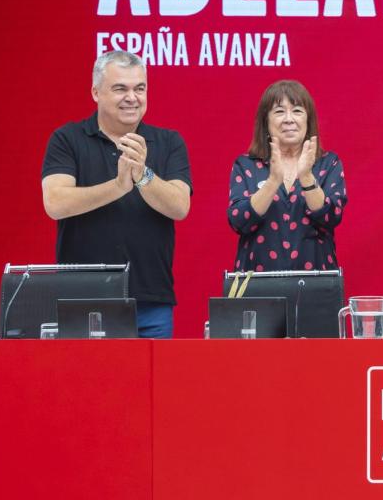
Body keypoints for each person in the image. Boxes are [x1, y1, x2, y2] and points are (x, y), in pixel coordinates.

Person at [42, 50, 192, 338]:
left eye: (140, 88)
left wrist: (143, 176)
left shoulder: (169, 141)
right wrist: (118, 187)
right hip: (82, 299)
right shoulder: (67, 138)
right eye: (120, 88)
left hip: (151, 301)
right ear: (96, 92)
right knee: (87, 383)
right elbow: (56, 203)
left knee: (152, 384)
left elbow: (179, 206)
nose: (132, 97)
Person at [227, 80, 346, 272]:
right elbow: (239, 221)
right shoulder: (246, 164)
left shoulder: (328, 163)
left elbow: (331, 217)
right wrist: (273, 181)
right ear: (266, 121)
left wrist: (306, 177)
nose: (289, 119)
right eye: (279, 111)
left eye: (297, 111)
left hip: (316, 283)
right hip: (258, 285)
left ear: (309, 120)